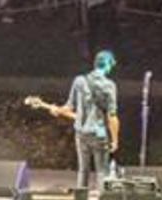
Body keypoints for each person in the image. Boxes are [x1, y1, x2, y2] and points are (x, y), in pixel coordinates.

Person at [44, 51, 120, 189]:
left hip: (81, 134)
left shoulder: (79, 80)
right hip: (99, 134)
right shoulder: (109, 85)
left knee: (83, 171)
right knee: (102, 172)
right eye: (111, 65)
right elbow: (112, 116)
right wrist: (115, 140)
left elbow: (69, 107)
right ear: (107, 65)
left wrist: (57, 110)